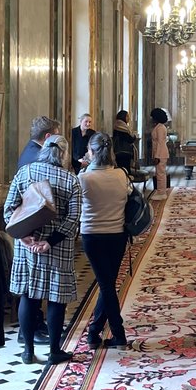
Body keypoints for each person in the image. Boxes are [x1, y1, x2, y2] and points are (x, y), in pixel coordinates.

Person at [4, 134, 81, 366]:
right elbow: (74, 218)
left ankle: (27, 351)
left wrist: (26, 237)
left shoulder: (25, 173)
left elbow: (9, 210)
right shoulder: (71, 180)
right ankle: (55, 351)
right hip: (57, 249)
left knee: (28, 296)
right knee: (56, 299)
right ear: (64, 154)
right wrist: (51, 241)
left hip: (27, 247)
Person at [78, 132, 133, 349]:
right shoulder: (122, 174)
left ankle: (119, 334)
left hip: (92, 235)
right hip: (117, 234)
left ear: (91, 152)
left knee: (106, 284)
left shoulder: (84, 178)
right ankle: (94, 333)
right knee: (107, 283)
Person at [14, 115, 61, 344]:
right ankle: (30, 331)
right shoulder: (36, 158)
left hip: (29, 230)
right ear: (49, 136)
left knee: (32, 288)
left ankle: (33, 329)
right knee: (32, 288)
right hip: (34, 231)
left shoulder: (29, 150)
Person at [149, 107, 170, 199]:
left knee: (160, 173)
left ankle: (162, 193)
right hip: (159, 153)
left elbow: (160, 143)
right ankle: (160, 191)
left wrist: (157, 156)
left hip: (161, 153)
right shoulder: (158, 127)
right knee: (159, 173)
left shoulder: (160, 128)